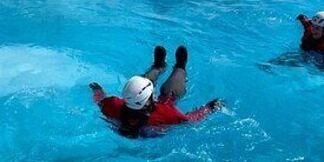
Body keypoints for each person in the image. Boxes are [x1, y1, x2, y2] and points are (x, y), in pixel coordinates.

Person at [90, 46, 224, 138]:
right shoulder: (166, 114)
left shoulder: (113, 105)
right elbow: (190, 120)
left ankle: (159, 66)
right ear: (150, 99)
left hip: (138, 120)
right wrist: (211, 107)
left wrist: (97, 90)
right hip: (157, 119)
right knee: (169, 93)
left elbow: (100, 101)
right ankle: (180, 67)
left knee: (142, 83)